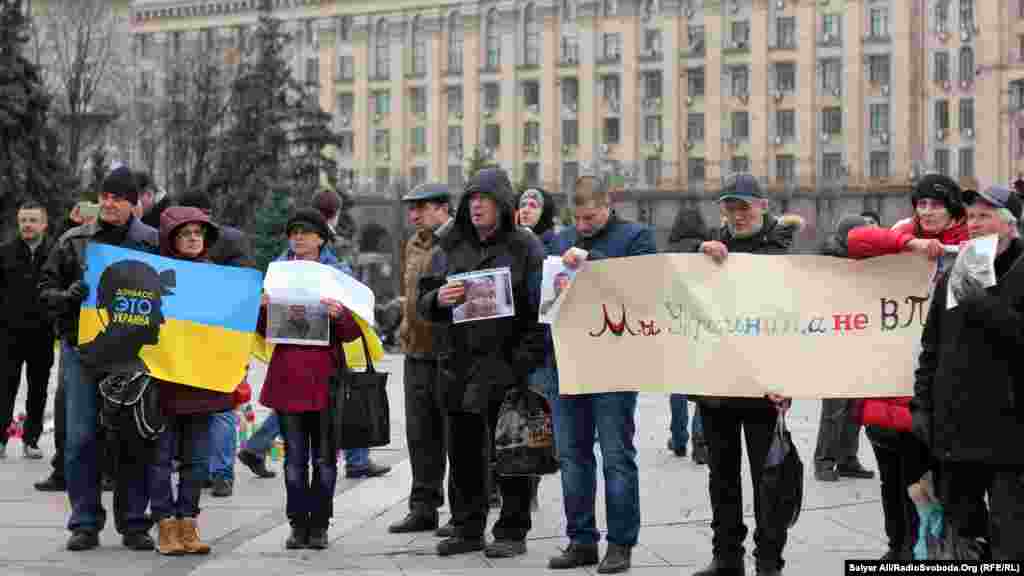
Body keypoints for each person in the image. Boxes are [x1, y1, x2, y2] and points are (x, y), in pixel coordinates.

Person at [417, 167, 546, 559]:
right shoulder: (449, 244)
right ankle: (468, 526)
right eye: (471, 198)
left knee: (511, 453)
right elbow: (424, 301)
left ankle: (512, 529)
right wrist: (439, 300)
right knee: (464, 453)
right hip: (457, 364)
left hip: (506, 365)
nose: (476, 205)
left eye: (484, 199)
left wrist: (522, 363)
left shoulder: (525, 247)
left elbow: (541, 311)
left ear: (502, 205)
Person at [845, 174, 969, 560]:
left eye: (936, 204)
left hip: (938, 388)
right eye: (922, 204)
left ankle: (936, 551)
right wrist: (911, 243)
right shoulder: (900, 236)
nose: (927, 211)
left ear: (953, 209)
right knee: (891, 480)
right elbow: (855, 241)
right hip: (888, 382)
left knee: (936, 481)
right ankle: (897, 548)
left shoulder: (969, 246)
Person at [39, 166, 159, 552]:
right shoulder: (74, 241)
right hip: (83, 354)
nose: (109, 204)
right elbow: (44, 289)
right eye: (104, 196)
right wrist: (66, 297)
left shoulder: (154, 244)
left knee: (133, 440)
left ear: (134, 204)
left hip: (134, 358)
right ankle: (85, 522)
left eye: (118, 198)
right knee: (80, 440)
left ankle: (134, 523)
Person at [544, 176, 656, 574]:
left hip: (614, 362)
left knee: (616, 456)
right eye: (578, 218)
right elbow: (545, 293)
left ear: (608, 205)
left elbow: (646, 287)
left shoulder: (636, 237)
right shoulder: (559, 241)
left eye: (590, 217)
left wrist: (592, 264)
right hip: (567, 361)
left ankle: (621, 544)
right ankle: (581, 540)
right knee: (572, 457)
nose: (584, 225)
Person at [692, 173, 801, 576]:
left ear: (763, 206)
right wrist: (696, 248)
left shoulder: (780, 251)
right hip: (716, 383)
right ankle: (727, 558)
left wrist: (786, 377)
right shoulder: (708, 246)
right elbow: (670, 255)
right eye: (730, 207)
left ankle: (769, 561)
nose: (737, 215)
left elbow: (795, 318)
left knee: (768, 480)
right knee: (721, 479)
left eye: (745, 206)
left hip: (763, 386)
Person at [912, 184, 1024, 560]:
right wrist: (923, 406)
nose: (973, 225)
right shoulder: (954, 276)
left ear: (1009, 225)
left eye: (984, 216)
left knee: (1011, 534)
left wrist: (985, 305)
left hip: (1011, 434)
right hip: (956, 430)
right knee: (964, 537)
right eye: (970, 217)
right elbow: (931, 348)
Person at [258, 208, 365, 550]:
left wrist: (341, 314)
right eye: (293, 232)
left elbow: (351, 333)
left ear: (321, 238)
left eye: (306, 232)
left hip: (326, 379)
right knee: (293, 460)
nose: (298, 237)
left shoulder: (336, 276)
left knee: (324, 459)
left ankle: (319, 524)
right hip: (288, 377)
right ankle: (296, 524)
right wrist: (262, 309)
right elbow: (264, 332)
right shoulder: (277, 275)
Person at [150, 206, 233, 556]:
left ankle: (188, 522)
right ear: (171, 239)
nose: (194, 239)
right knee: (160, 458)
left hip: (201, 383)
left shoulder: (218, 277)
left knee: (197, 460)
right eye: (186, 233)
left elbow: (229, 323)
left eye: (199, 233)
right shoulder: (152, 275)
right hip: (163, 382)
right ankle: (166, 526)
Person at [176, 187, 264, 495]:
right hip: (202, 337)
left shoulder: (227, 241)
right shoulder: (228, 239)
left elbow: (244, 284)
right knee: (211, 408)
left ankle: (220, 472)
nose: (191, 233)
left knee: (222, 407)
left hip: (219, 337)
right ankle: (211, 471)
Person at [388, 183, 458, 535]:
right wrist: (403, 323)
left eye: (421, 208)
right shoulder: (413, 244)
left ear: (443, 208)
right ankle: (423, 507)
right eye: (411, 209)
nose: (413, 215)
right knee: (420, 433)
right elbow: (411, 292)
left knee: (455, 435)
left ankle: (461, 512)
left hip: (447, 351)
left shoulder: (458, 241)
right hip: (415, 350)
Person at [311, 188, 391, 480]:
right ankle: (357, 460)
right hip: (338, 327)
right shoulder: (333, 245)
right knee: (354, 387)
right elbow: (346, 285)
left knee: (318, 392)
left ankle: (358, 458)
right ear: (336, 212)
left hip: (311, 332)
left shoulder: (294, 247)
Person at [810, 213, 878, 483]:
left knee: (856, 406)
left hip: (861, 341)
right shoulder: (830, 263)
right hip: (835, 344)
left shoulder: (868, 262)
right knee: (835, 408)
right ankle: (824, 461)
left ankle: (848, 459)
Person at [0, 202, 55, 461]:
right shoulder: (5, 253)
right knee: (4, 386)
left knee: (38, 389)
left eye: (33, 220)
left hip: (43, 333)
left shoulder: (55, 253)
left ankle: (31, 440)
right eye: (23, 220)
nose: (27, 225)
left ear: (44, 224)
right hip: (9, 333)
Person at [665, 205, 709, 463]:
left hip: (674, 322)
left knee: (677, 386)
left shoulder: (668, 253)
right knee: (702, 385)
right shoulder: (707, 250)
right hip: (701, 323)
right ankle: (700, 442)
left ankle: (678, 439)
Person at [517, 187, 558, 252]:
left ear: (544, 212)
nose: (525, 210)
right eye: (523, 205)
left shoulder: (556, 244)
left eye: (533, 205)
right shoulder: (510, 241)